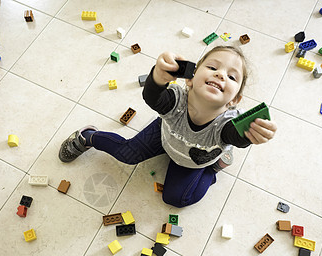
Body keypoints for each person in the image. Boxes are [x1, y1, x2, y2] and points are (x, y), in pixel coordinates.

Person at [58, 45, 277, 208]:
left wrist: (251, 135)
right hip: (166, 134)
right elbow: (153, 97)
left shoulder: (227, 124)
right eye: (212, 67)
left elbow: (235, 137)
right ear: (189, 79)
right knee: (127, 154)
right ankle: (88, 136)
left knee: (176, 198)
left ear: (234, 100)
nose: (220, 74)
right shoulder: (176, 99)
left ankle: (214, 169)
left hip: (197, 159)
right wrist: (158, 76)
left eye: (231, 76)